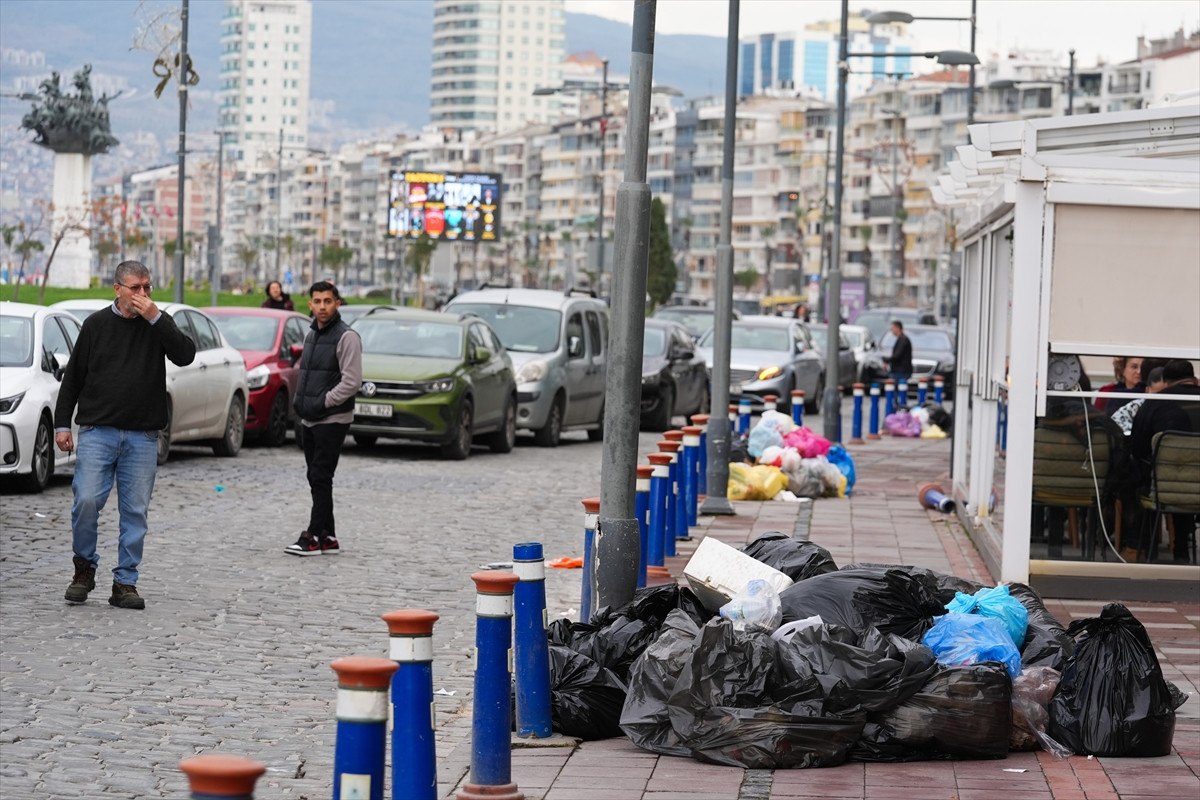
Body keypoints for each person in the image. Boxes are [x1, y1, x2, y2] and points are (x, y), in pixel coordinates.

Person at [54, 261, 197, 609]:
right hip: (98, 432)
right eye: (136, 288)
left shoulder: (158, 324)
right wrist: (61, 424)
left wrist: (156, 318)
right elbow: (73, 377)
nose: (143, 295)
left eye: (148, 287)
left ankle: (125, 582)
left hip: (142, 436)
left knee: (135, 512)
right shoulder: (96, 325)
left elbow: (185, 355)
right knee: (86, 501)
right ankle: (83, 568)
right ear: (117, 289)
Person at [286, 280, 362, 556]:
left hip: (333, 419)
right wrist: (302, 404)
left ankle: (311, 536)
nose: (322, 307)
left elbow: (352, 382)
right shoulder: (312, 335)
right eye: (317, 301)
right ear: (310, 304)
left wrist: (323, 402)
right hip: (310, 419)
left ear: (337, 303)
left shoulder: (347, 337)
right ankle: (328, 537)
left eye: (327, 301)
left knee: (320, 476)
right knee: (316, 477)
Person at [1128, 360, 1200, 563]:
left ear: (1165, 382)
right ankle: (1181, 551)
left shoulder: (1155, 403)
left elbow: (1137, 448)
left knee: (1146, 478)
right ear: (1194, 380)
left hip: (1163, 491)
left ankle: (1143, 550)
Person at [1110, 366, 1168, 435]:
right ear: (1147, 391)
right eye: (1155, 396)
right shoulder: (1135, 407)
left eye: (1164, 395)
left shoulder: (1175, 409)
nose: (1159, 401)